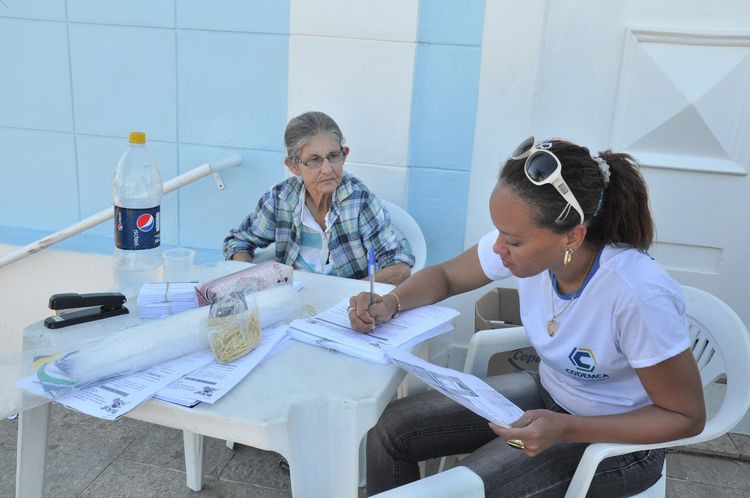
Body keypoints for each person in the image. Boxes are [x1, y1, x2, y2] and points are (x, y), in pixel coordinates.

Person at [348, 138, 705, 496]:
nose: (498, 248)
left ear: (572, 237)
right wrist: (390, 302)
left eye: (514, 241)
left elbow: (685, 417)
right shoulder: (527, 246)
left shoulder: (636, 294)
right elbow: (447, 276)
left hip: (618, 443)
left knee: (462, 488)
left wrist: (567, 428)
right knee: (392, 429)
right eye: (499, 233)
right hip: (549, 396)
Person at [223, 111, 414, 285]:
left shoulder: (360, 202)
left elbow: (399, 266)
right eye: (314, 159)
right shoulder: (280, 199)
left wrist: (355, 294)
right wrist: (249, 278)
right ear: (294, 166)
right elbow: (238, 241)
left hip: (349, 308)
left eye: (333, 156)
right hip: (292, 302)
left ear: (344, 155)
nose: (327, 169)